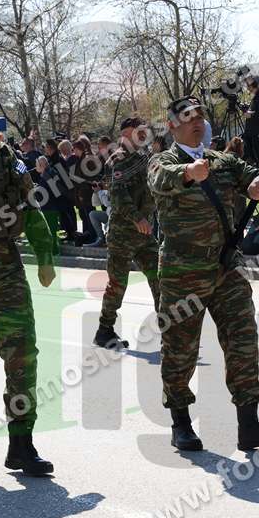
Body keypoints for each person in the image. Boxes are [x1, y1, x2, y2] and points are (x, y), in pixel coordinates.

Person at [147, 95, 259, 452]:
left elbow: (254, 175)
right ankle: (181, 423)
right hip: (183, 272)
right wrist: (188, 173)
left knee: (243, 339)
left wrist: (258, 185)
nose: (197, 122)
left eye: (200, 116)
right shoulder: (164, 161)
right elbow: (160, 179)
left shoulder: (221, 161)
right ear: (173, 126)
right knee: (180, 347)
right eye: (188, 117)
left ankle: (249, 424)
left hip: (226, 267)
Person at [0, 93, 55, 476]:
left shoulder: (4, 154)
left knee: (23, 355)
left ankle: (22, 443)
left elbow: (28, 203)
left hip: (5, 268)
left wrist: (45, 253)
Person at [93, 118, 160, 349]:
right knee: (117, 284)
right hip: (123, 234)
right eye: (136, 131)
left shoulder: (145, 158)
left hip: (145, 234)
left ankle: (169, 328)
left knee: (159, 276)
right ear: (124, 135)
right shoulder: (117, 160)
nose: (142, 134)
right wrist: (137, 218)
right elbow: (119, 197)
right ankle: (104, 330)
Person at [35, 155, 63, 256]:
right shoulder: (47, 173)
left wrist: (36, 191)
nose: (35, 167)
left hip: (50, 207)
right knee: (50, 230)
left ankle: (54, 251)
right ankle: (52, 250)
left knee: (51, 230)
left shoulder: (48, 174)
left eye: (36, 165)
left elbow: (49, 191)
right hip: (50, 206)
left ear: (41, 165)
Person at [86, 181, 111, 247]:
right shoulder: (105, 191)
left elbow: (107, 204)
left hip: (117, 216)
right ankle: (101, 238)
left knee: (107, 226)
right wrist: (96, 192)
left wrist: (100, 191)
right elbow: (95, 204)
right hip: (109, 214)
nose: (104, 184)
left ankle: (108, 239)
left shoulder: (115, 189)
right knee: (92, 214)